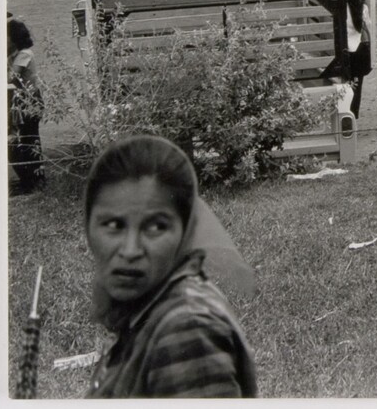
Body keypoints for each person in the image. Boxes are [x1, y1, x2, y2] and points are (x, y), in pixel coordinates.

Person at [82, 135, 258, 398]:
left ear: (185, 232)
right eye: (113, 225)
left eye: (155, 227)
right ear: (88, 226)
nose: (130, 250)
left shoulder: (186, 328)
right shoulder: (148, 309)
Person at [7, 17, 44, 194]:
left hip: (31, 101)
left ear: (14, 39)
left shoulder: (24, 54)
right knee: (28, 140)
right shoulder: (16, 54)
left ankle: (33, 180)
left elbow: (12, 77)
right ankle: (30, 178)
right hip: (23, 101)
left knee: (30, 140)